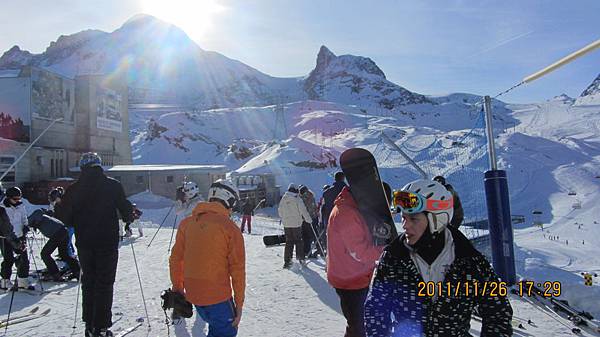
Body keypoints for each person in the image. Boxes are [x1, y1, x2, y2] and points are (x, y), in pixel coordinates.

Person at [365, 179, 513, 336]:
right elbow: (375, 310)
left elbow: (498, 312)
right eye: (403, 218)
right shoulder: (393, 259)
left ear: (437, 219)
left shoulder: (469, 262)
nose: (405, 225)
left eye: (414, 219)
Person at [57, 152, 133, 337]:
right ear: (99, 166)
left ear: (82, 167)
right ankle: (101, 327)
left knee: (89, 282)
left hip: (84, 243)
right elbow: (126, 211)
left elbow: (64, 218)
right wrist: (130, 214)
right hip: (107, 242)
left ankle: (89, 325)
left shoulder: (73, 189)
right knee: (104, 283)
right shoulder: (112, 185)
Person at [170, 179, 245, 337]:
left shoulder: (186, 224)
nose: (232, 209)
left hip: (193, 295)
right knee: (225, 332)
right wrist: (239, 305)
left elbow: (176, 259)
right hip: (218, 298)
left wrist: (178, 289)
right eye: (233, 203)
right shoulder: (230, 229)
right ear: (228, 199)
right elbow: (237, 270)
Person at [326, 184, 385, 337]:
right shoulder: (346, 213)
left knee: (359, 324)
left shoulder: (351, 208)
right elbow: (360, 252)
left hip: (352, 275)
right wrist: (386, 252)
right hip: (350, 280)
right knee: (359, 327)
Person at [28, 209, 80, 281]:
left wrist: (26, 228)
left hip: (57, 233)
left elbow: (29, 222)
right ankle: (78, 272)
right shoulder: (42, 216)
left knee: (45, 254)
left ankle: (55, 274)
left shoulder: (35, 218)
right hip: (64, 231)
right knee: (64, 254)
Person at [0, 186, 33, 291]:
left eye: (19, 198)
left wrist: (26, 226)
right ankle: (5, 282)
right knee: (8, 259)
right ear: (8, 197)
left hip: (19, 235)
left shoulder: (21, 206)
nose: (18, 201)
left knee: (23, 259)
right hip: (6, 237)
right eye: (15, 199)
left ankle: (22, 282)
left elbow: (24, 217)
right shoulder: (2, 208)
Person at [278, 183, 312, 268]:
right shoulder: (297, 199)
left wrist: (284, 219)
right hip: (296, 224)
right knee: (298, 241)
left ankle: (287, 261)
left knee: (289, 241)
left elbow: (279, 211)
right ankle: (301, 259)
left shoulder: (284, 198)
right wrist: (309, 220)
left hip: (287, 224)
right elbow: (303, 210)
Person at [48, 187, 76, 257]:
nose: (55, 201)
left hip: (69, 225)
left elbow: (69, 215)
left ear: (58, 197)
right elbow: (57, 216)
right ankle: (67, 258)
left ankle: (71, 262)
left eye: (55, 199)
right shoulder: (57, 205)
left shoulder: (66, 203)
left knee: (67, 244)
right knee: (65, 243)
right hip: (63, 227)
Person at [298, 185, 321, 258]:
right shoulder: (311, 196)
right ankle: (319, 248)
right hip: (314, 218)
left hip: (306, 219)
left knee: (306, 236)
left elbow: (303, 210)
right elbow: (314, 208)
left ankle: (307, 251)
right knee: (314, 234)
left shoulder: (302, 198)